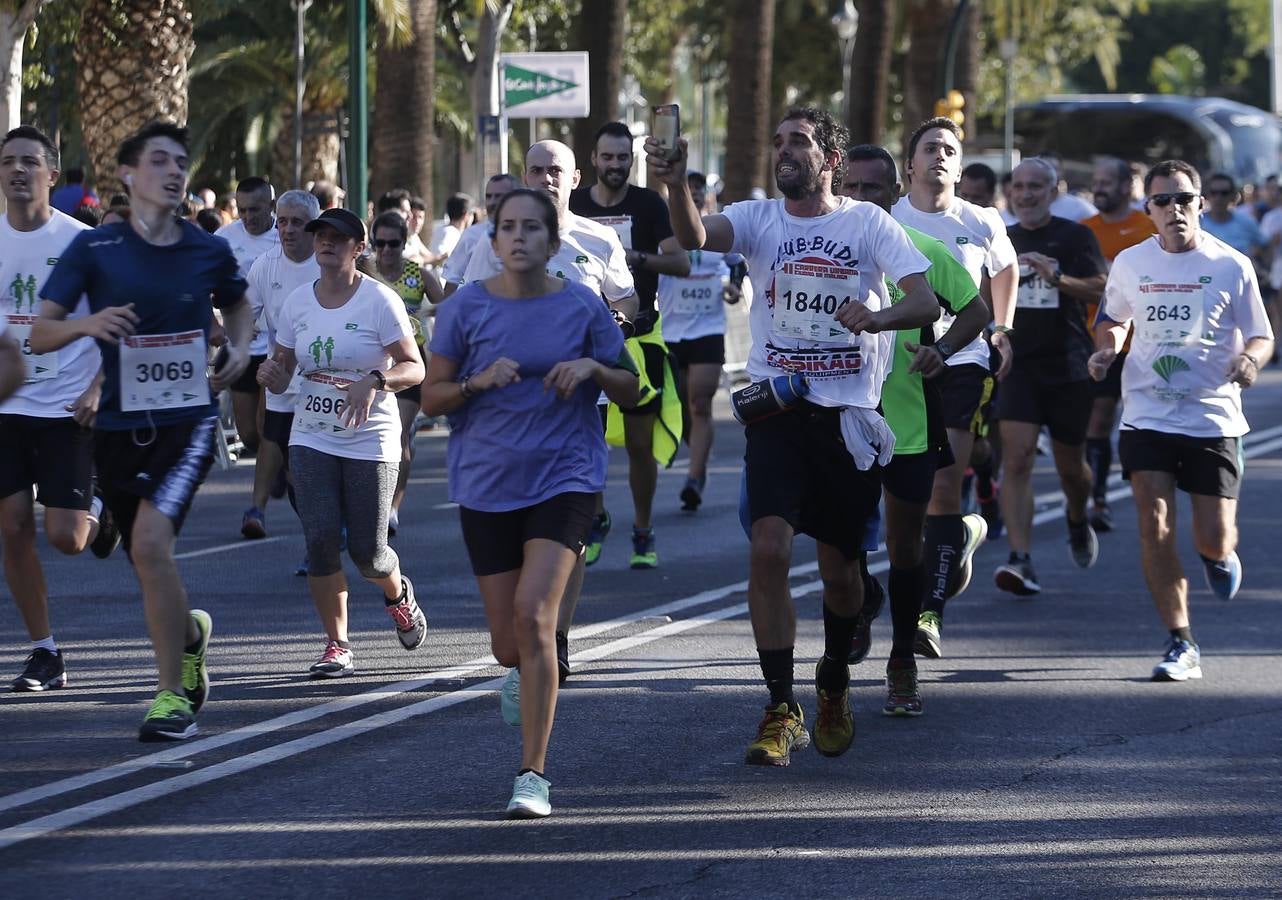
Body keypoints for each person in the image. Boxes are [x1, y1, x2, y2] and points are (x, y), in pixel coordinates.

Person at [648, 107, 939, 766]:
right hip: (777, 410)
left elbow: (924, 303)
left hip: (848, 422)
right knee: (768, 548)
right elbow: (697, 237)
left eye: (799, 142)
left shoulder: (868, 224)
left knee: (840, 575)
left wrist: (878, 314)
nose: (784, 151)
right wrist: (673, 186)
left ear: (829, 159)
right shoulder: (757, 218)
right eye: (778, 140)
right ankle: (781, 705)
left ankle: (833, 678)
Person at [32, 120, 255, 741]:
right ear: (129, 175)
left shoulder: (206, 249)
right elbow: (39, 333)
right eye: (160, 160)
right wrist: (90, 323)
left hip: (185, 423)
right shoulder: (95, 251)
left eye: (181, 161)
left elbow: (236, 306)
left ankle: (170, 697)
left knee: (152, 547)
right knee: (143, 557)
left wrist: (237, 350)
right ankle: (190, 638)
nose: (175, 171)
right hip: (115, 427)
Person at [423, 188, 639, 819]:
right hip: (486, 481)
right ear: (493, 242)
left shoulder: (581, 304)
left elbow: (631, 388)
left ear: (552, 242)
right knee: (506, 644)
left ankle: (532, 774)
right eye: (507, 228)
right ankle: (523, 670)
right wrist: (473, 382)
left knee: (535, 616)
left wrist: (593, 371)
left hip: (566, 477)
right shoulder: (464, 309)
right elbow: (432, 398)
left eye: (531, 229)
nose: (518, 238)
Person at [459, 139, 638, 683]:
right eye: (535, 169)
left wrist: (608, 327)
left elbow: (628, 301)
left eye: (555, 170)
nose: (545, 178)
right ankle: (526, 624)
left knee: (565, 528)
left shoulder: (599, 238)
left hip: (577, 401)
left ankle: (554, 636)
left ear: (574, 176)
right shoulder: (488, 239)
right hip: (506, 405)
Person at [1088, 159, 1274, 681]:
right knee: (1154, 523)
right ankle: (1180, 641)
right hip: (1147, 414)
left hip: (1212, 418)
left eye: (1185, 199)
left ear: (1200, 204)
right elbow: (1113, 320)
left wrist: (1250, 359)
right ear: (1148, 209)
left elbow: (1262, 334)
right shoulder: (1130, 262)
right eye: (1163, 201)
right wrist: (1106, 350)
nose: (1175, 210)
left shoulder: (1230, 265)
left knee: (1213, 538)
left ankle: (1219, 556)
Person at [840, 144, 987, 712]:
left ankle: (902, 658)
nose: (858, 199)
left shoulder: (918, 249)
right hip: (839, 415)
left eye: (871, 189)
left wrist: (943, 351)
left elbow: (975, 311)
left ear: (893, 194)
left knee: (904, 544)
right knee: (845, 540)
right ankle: (862, 597)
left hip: (906, 417)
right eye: (849, 187)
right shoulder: (812, 254)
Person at [258, 207, 427, 677]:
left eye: (338, 237)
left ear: (359, 248)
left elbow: (415, 367)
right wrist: (270, 374)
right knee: (320, 540)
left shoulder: (380, 301)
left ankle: (398, 595)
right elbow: (283, 367)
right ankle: (337, 644)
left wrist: (374, 380)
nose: (326, 243)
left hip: (369, 437)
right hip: (311, 433)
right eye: (321, 236)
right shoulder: (297, 303)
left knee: (369, 552)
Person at [0, 125, 120, 695]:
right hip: (7, 409)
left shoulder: (82, 243)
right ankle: (44, 651)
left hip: (67, 407)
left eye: (29, 162)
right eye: (8, 162)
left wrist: (100, 387)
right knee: (12, 527)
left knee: (67, 538)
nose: (17, 171)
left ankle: (104, 504)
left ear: (52, 174)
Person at [891, 117, 1018, 644]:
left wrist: (1002, 328)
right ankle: (962, 533)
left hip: (962, 359)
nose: (940, 155)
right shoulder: (888, 219)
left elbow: (1004, 271)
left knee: (944, 486)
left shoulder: (982, 220)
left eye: (950, 149)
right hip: (899, 367)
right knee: (904, 498)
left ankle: (929, 614)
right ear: (911, 164)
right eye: (930, 148)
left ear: (960, 166)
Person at [570, 122, 690, 567]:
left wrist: (632, 257)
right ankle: (596, 518)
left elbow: (679, 261)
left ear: (631, 160)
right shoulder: (575, 205)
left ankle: (643, 528)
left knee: (639, 444)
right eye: (608, 157)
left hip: (637, 337)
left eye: (623, 157)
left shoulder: (648, 203)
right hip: (582, 345)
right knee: (590, 439)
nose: (615, 165)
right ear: (594, 160)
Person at [992, 158, 1107, 595]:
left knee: (1070, 470)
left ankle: (1077, 517)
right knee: (1017, 458)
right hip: (1019, 364)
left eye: (1035, 186)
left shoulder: (1075, 235)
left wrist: (1056, 277)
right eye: (1019, 186)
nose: (1026, 194)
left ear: (1053, 190)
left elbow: (1101, 287)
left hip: (1068, 364)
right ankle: (1020, 558)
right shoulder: (1002, 238)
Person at [656, 169, 746, 512]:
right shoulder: (663, 235)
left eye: (697, 197)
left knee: (700, 402)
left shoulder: (716, 232)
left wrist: (733, 287)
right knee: (681, 406)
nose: (691, 201)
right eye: (685, 196)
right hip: (671, 331)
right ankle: (697, 451)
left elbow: (737, 264)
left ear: (705, 200)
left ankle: (695, 476)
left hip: (708, 330)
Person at [243, 190, 323, 572]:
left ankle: (328, 530)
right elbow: (244, 317)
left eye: (298, 223)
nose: (288, 230)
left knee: (313, 464)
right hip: (283, 380)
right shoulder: (264, 266)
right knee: (292, 465)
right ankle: (316, 538)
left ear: (314, 227)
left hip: (327, 382)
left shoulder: (328, 262)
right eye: (283, 221)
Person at [1079, 157, 1159, 533]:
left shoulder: (1147, 228)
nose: (1099, 188)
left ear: (1128, 187)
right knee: (1098, 417)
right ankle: (1097, 498)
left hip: (1146, 342)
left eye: (1108, 181)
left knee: (1143, 422)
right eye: (1096, 181)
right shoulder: (1082, 230)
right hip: (1098, 339)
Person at [369, 209, 443, 535]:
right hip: (371, 363)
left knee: (399, 432)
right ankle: (369, 499)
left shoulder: (419, 274)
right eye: (379, 243)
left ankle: (393, 508)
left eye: (393, 244)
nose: (385, 251)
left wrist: (424, 310)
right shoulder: (364, 271)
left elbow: (447, 305)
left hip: (410, 364)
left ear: (404, 243)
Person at [216, 176, 279, 526]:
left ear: (271, 206)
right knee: (248, 433)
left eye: (256, 209)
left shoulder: (285, 237)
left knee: (266, 425)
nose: (248, 217)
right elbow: (206, 284)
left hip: (276, 348)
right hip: (239, 345)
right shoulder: (225, 239)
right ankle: (277, 466)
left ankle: (257, 509)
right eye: (242, 210)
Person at [442, 174, 519, 298]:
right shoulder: (472, 235)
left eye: (499, 196)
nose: (492, 202)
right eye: (489, 197)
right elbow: (453, 280)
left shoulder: (530, 235)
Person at [424, 193, 473, 268]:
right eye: (471, 213)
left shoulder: (444, 230)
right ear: (466, 215)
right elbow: (436, 261)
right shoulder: (449, 233)